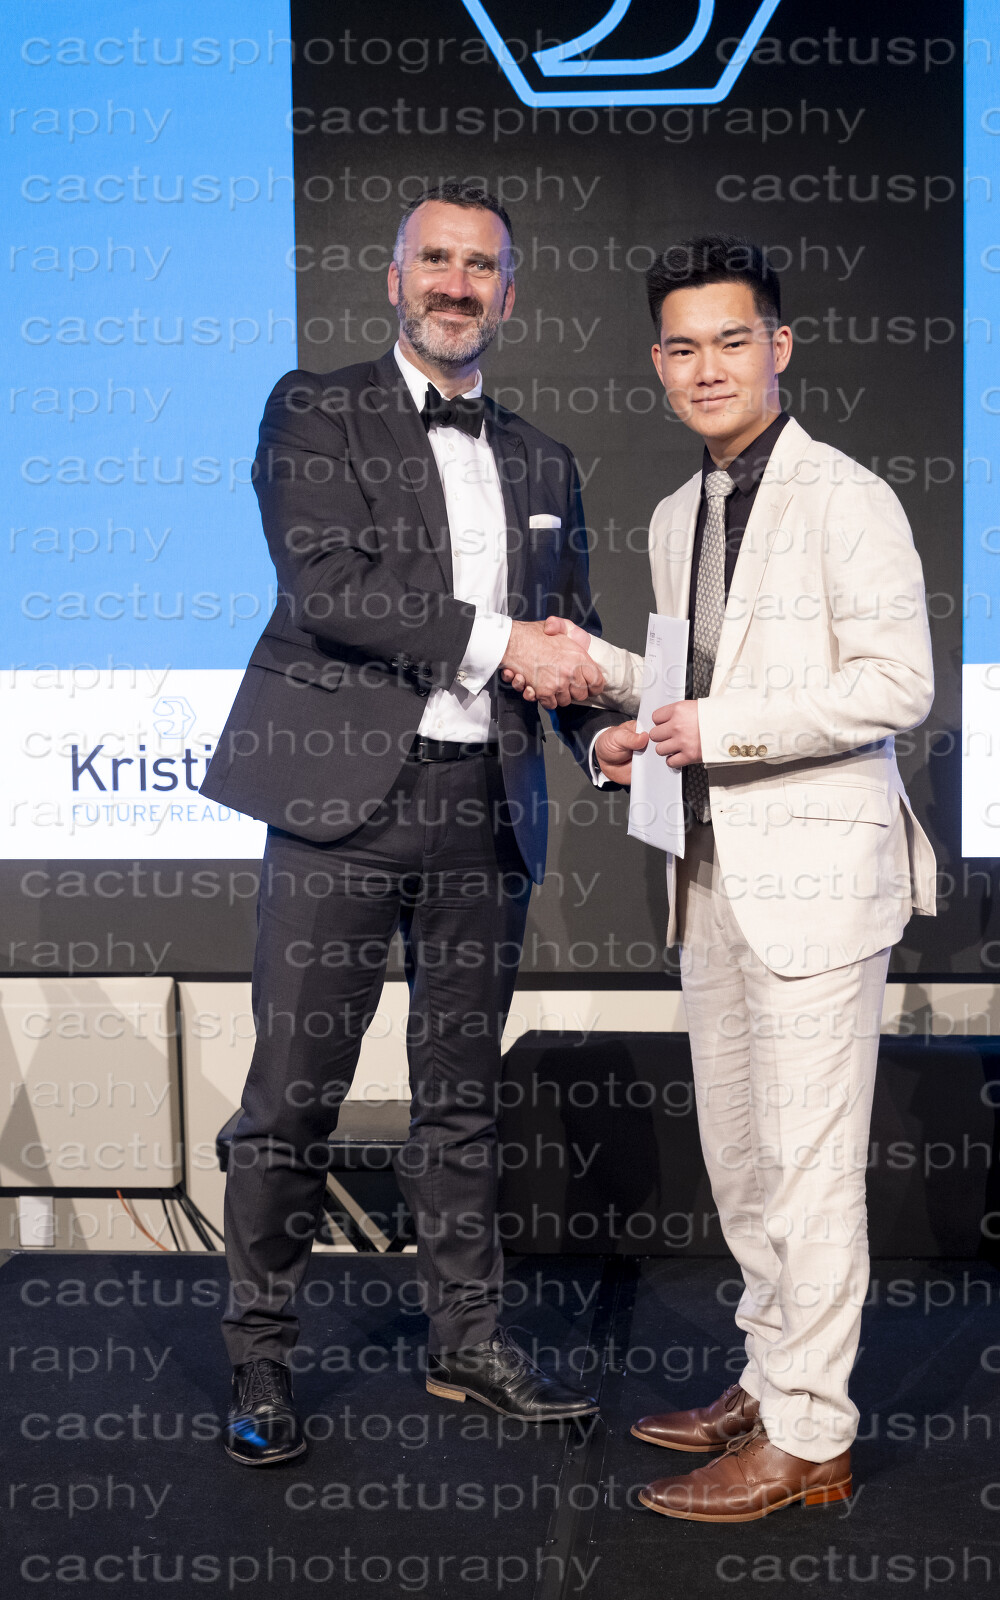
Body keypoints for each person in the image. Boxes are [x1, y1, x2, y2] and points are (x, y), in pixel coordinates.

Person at [507, 232, 936, 1521]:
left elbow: (895, 685)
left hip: (817, 885)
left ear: (778, 347)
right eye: (683, 347)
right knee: (743, 1162)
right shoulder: (672, 513)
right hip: (705, 876)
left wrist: (719, 729)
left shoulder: (847, 497)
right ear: (657, 362)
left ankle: (812, 1433)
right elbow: (694, 682)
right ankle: (766, 1376)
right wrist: (612, 689)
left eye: (732, 341)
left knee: (808, 1167)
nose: (707, 368)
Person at [201, 183, 627, 1465]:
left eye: (479, 266)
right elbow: (326, 586)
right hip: (340, 806)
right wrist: (509, 645)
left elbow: (562, 639)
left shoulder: (544, 458)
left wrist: (597, 735)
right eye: (433, 259)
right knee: (293, 1097)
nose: (455, 283)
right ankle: (261, 1359)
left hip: (483, 810)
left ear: (509, 293)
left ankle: (467, 1343)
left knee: (460, 1098)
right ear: (394, 280)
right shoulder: (313, 408)